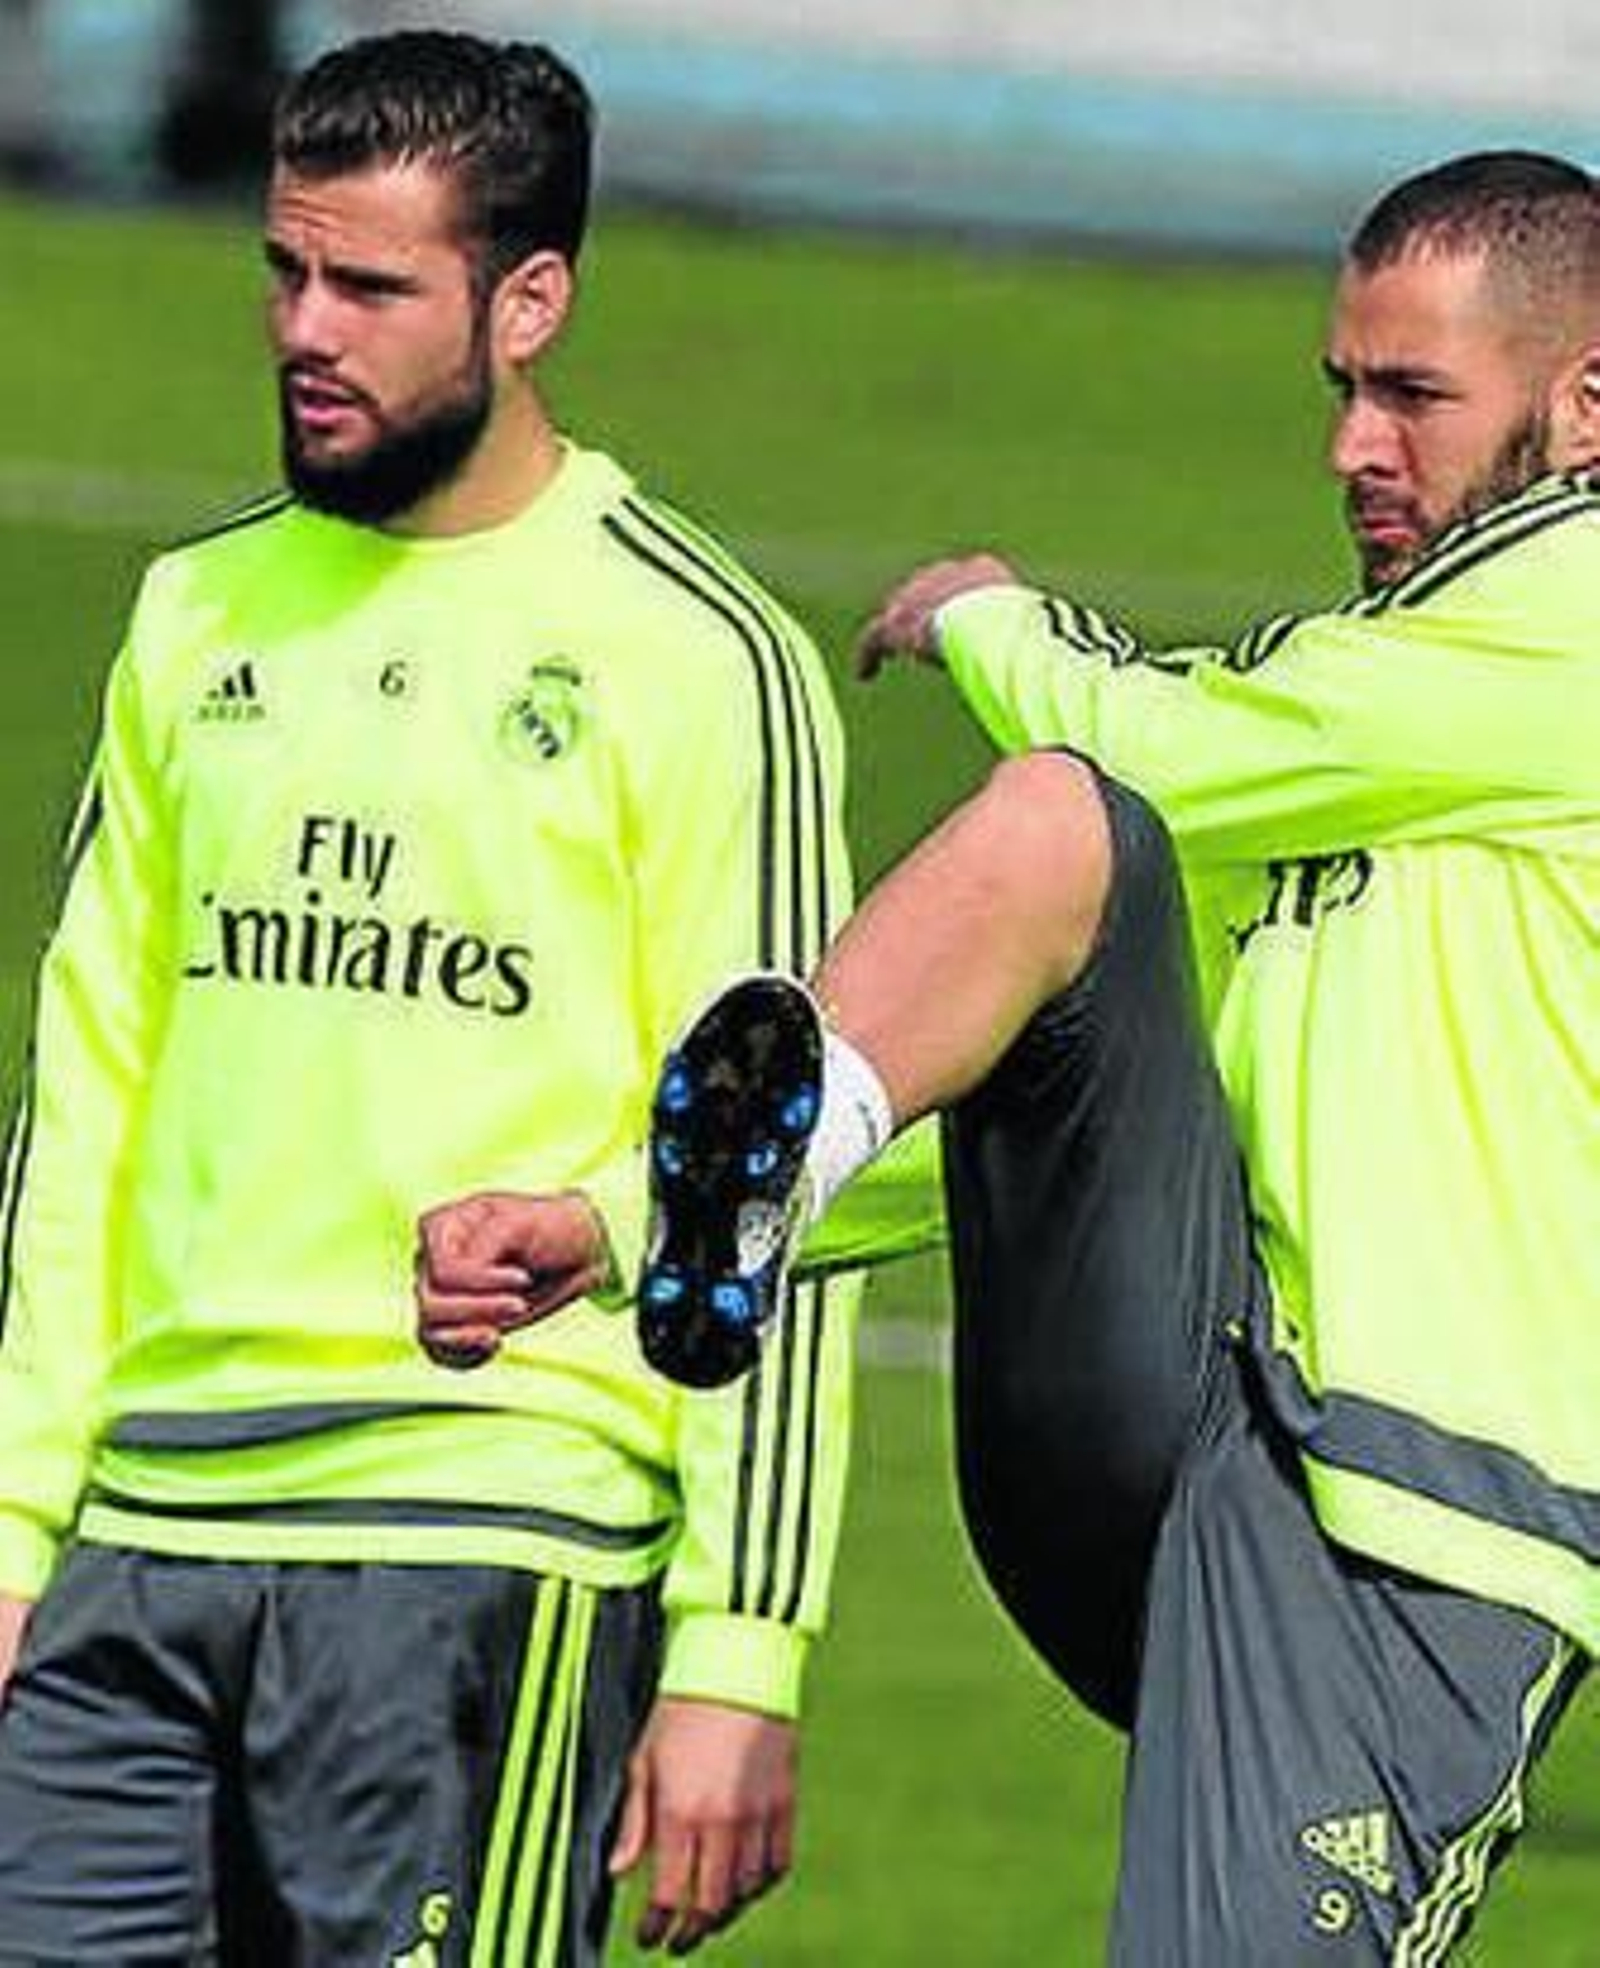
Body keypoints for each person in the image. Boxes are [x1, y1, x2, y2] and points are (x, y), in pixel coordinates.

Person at [639, 150, 1600, 1960]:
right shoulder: (1406, 689)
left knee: (1081, 798)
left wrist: (989, 610)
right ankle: (775, 1163)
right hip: (1214, 1438)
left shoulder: (1572, 627)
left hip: (1425, 1536)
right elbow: (1090, 1104)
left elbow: (1158, 741)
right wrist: (614, 1229)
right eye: (1341, 392)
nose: (1353, 448)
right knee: (1051, 841)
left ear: (1586, 404)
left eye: (1412, 396)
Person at [0, 30, 866, 1963]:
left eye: (374, 286)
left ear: (530, 299)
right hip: (141, 1539)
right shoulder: (192, 614)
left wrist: (743, 1650)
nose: (309, 328)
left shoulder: (696, 655)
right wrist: (9, 1527)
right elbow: (89, 1094)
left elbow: (774, 1152)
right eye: (287, 271)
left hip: (483, 1535)